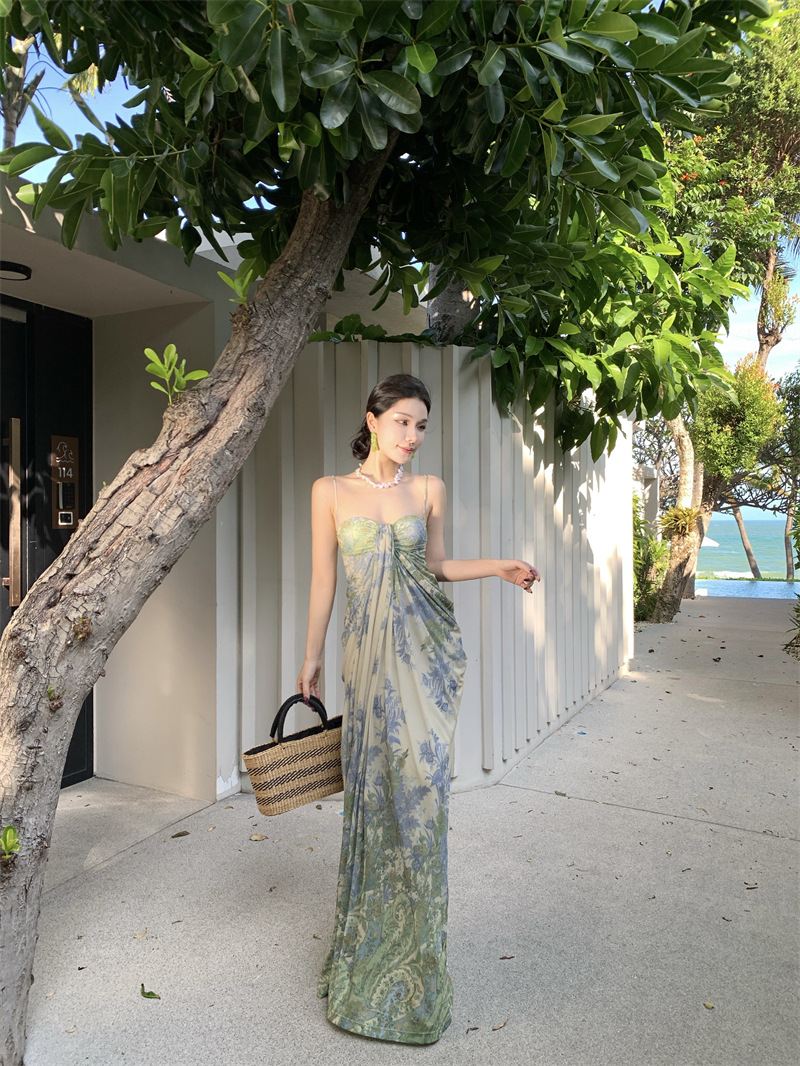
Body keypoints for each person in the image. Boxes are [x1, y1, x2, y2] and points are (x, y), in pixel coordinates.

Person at [297, 373, 539, 1045]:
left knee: (422, 798)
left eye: (422, 425)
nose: (413, 436)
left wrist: (498, 566)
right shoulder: (328, 492)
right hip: (365, 663)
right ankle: (366, 951)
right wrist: (310, 656)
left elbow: (435, 565)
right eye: (402, 421)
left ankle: (417, 962)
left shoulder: (429, 489)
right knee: (373, 797)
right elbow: (323, 580)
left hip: (421, 657)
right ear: (372, 420)